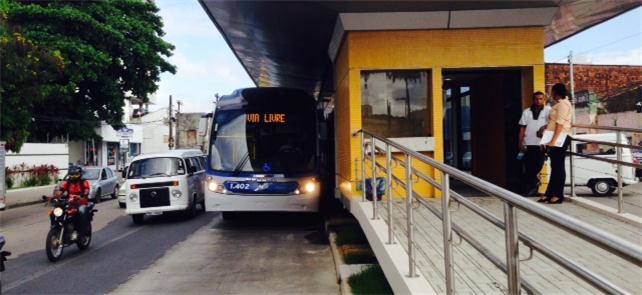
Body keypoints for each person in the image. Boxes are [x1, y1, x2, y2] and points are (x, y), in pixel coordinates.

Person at [542, 83, 573, 204]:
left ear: (556, 92)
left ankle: (558, 194)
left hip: (561, 137)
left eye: (551, 91)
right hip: (554, 136)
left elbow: (560, 124)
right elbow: (553, 123)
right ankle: (550, 193)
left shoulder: (564, 104)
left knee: (558, 166)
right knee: (554, 166)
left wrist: (553, 141)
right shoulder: (559, 104)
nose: (550, 93)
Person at [518, 91, 550, 197]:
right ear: (533, 99)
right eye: (536, 99)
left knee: (538, 166)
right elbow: (522, 129)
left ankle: (535, 186)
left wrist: (544, 128)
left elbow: (552, 125)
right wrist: (520, 142)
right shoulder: (526, 112)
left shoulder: (548, 111)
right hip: (528, 144)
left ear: (544, 99)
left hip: (541, 144)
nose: (538, 101)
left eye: (541, 99)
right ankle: (533, 188)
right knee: (528, 167)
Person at [55, 165, 91, 235]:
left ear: (80, 174)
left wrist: (81, 195)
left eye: (76, 175)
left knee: (81, 211)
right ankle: (56, 226)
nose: (73, 176)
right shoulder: (68, 182)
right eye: (72, 175)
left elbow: (86, 191)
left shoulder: (83, 182)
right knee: (55, 211)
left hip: (81, 202)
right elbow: (61, 190)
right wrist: (55, 196)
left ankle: (82, 232)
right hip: (70, 202)